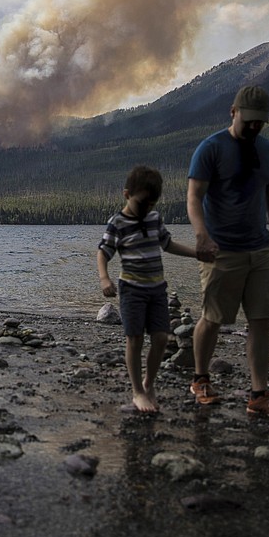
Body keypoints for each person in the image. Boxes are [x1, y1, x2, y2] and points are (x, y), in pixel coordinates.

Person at [187, 85, 269, 420]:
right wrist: (202, 236)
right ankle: (200, 379)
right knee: (213, 318)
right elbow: (193, 197)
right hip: (221, 250)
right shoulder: (211, 148)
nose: (253, 127)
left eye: (259, 122)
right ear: (233, 112)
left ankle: (259, 394)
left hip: (261, 249)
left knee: (262, 321)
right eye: (248, 120)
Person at [97, 166, 204, 414]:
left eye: (152, 203)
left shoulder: (154, 218)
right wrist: (104, 279)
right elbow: (103, 252)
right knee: (134, 339)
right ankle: (137, 392)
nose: (147, 208)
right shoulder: (118, 223)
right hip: (132, 290)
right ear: (127, 194)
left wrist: (197, 254)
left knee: (160, 338)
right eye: (142, 202)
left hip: (157, 289)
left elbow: (167, 244)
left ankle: (149, 383)